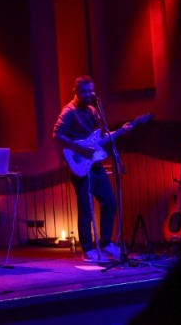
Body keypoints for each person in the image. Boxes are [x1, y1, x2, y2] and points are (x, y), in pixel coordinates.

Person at [52, 75, 130, 262]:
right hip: (79, 163)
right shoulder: (69, 112)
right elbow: (56, 134)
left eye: (90, 91)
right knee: (86, 208)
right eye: (84, 91)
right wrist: (80, 149)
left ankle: (106, 243)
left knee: (110, 202)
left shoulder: (94, 110)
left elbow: (101, 136)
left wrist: (121, 130)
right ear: (76, 92)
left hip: (95, 164)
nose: (88, 94)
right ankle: (87, 248)